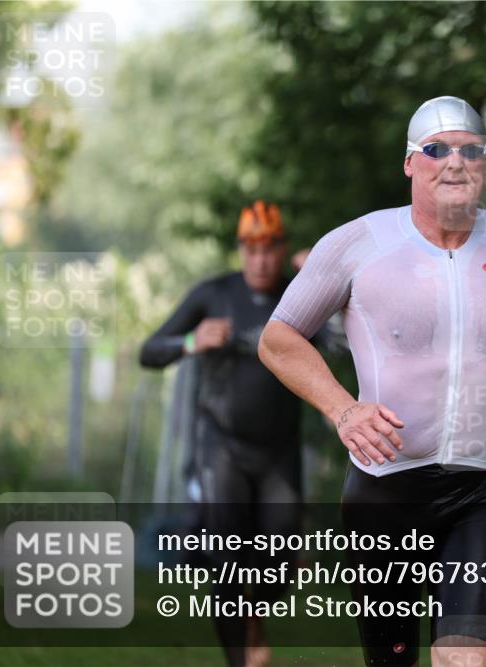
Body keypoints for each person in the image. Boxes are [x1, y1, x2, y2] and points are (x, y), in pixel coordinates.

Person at [259, 96, 486, 667]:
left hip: (479, 491)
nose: (454, 163)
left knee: (468, 662)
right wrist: (344, 410)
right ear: (410, 163)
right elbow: (279, 339)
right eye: (436, 150)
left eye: (471, 151)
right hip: (385, 492)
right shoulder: (358, 244)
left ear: (485, 165)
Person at [140, 201, 304, 667]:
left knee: (281, 559)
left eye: (270, 248)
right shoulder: (213, 295)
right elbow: (149, 351)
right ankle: (238, 658)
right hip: (222, 447)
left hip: (278, 451)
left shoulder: (299, 295)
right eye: (251, 249)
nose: (260, 260)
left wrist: (320, 268)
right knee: (226, 557)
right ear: (240, 251)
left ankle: (255, 618)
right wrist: (193, 341)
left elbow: (348, 332)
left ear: (282, 249)